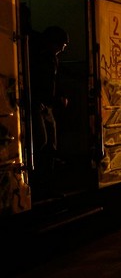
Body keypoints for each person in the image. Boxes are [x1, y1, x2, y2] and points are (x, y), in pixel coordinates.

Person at [30, 26, 69, 194]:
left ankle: (48, 180)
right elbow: (36, 80)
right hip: (40, 105)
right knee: (42, 140)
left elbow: (55, 82)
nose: (63, 48)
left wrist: (59, 96)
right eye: (63, 44)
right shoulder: (41, 58)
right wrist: (36, 99)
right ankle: (39, 179)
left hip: (47, 105)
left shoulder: (52, 59)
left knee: (51, 143)